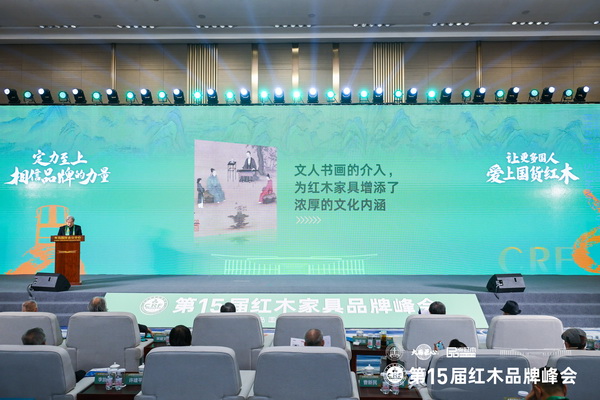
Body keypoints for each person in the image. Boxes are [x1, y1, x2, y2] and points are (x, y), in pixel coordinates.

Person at [88, 296, 152, 336]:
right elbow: (130, 325)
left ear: (89, 306)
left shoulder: (82, 320)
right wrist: (145, 329)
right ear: (104, 306)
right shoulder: (114, 319)